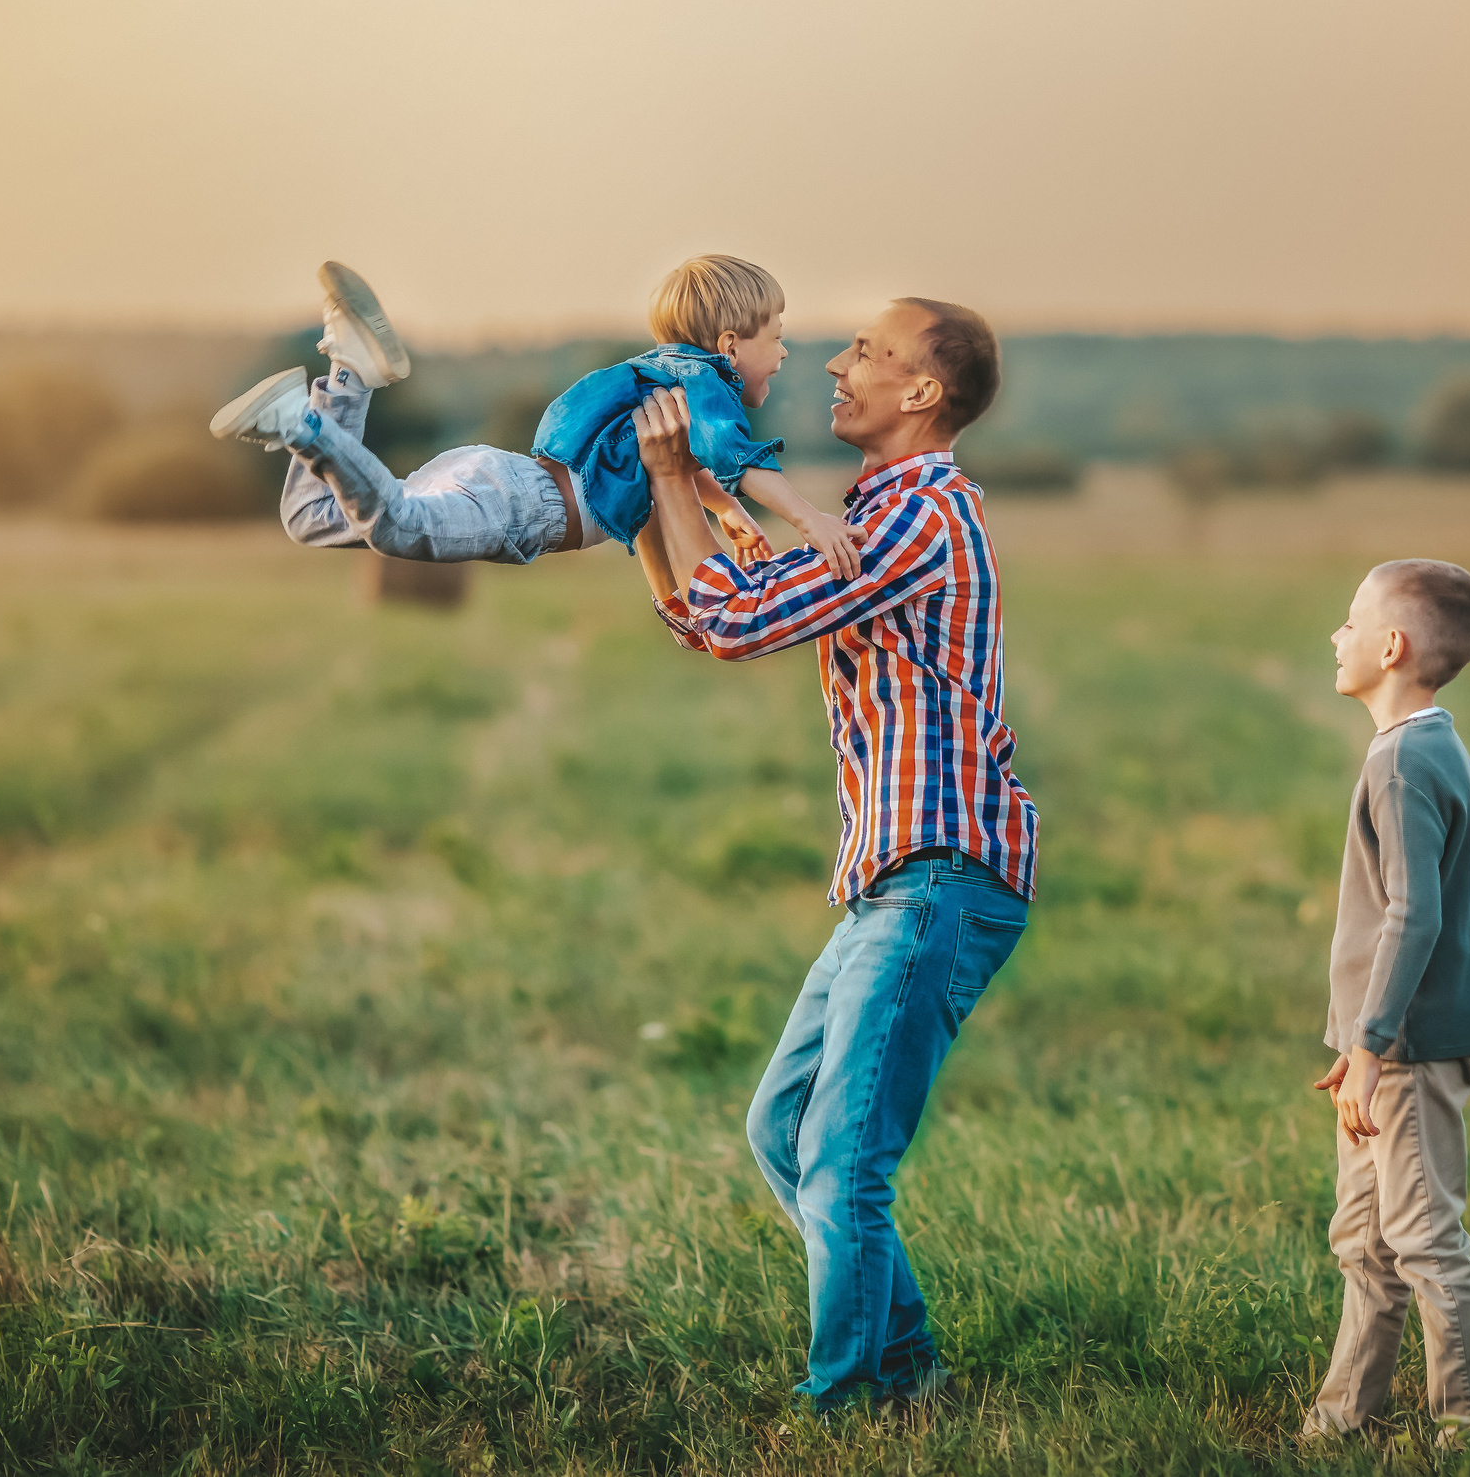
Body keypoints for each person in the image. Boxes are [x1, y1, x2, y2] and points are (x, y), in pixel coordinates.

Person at [625, 298, 1038, 1413]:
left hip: (939, 869)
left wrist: (677, 483)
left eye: (870, 351)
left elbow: (745, 615)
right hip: (891, 880)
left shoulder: (919, 513)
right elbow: (711, 614)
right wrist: (667, 491)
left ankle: (855, 1399)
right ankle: (902, 1370)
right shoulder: (866, 513)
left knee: (843, 1158)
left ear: (921, 394)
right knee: (783, 1128)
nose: (837, 362)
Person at [206, 256, 862, 573]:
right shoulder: (706, 381)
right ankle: (304, 423)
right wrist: (810, 518)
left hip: (498, 474)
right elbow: (740, 456)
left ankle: (349, 370)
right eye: (776, 336)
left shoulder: (668, 380)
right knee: (397, 528)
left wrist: (727, 514)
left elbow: (690, 467)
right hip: (524, 503)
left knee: (310, 519)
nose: (782, 354)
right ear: (728, 345)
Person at [1305, 559, 1470, 1447]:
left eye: (1352, 622)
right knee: (1366, 1243)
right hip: (1379, 1051)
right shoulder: (1424, 745)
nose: (1336, 636)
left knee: (1423, 1241)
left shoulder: (1403, 763)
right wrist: (1356, 1045)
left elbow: (1412, 914)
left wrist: (1376, 1043)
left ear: (1392, 648)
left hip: (1407, 1051)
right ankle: (1342, 1421)